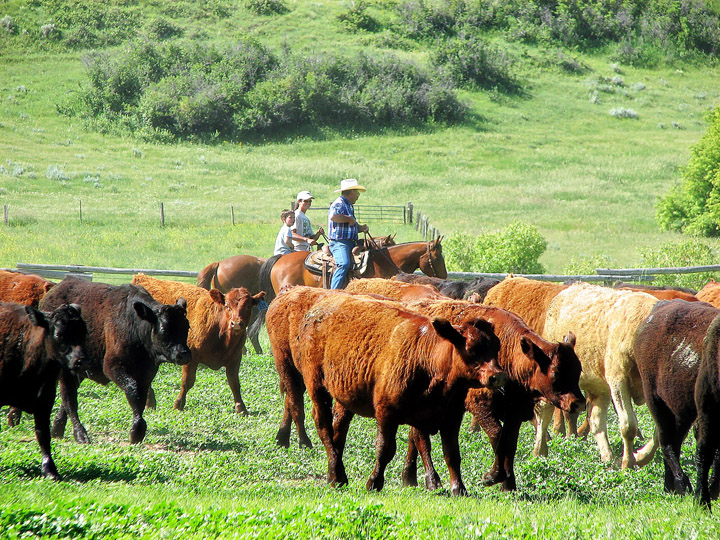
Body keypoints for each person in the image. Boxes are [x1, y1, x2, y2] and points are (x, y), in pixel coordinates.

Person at [327, 178, 369, 289]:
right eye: (357, 193)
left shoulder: (349, 206)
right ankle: (332, 292)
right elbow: (333, 216)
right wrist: (349, 219)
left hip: (350, 242)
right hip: (339, 242)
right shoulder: (339, 203)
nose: (357, 196)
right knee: (343, 264)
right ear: (351, 192)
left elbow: (350, 225)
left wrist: (360, 228)